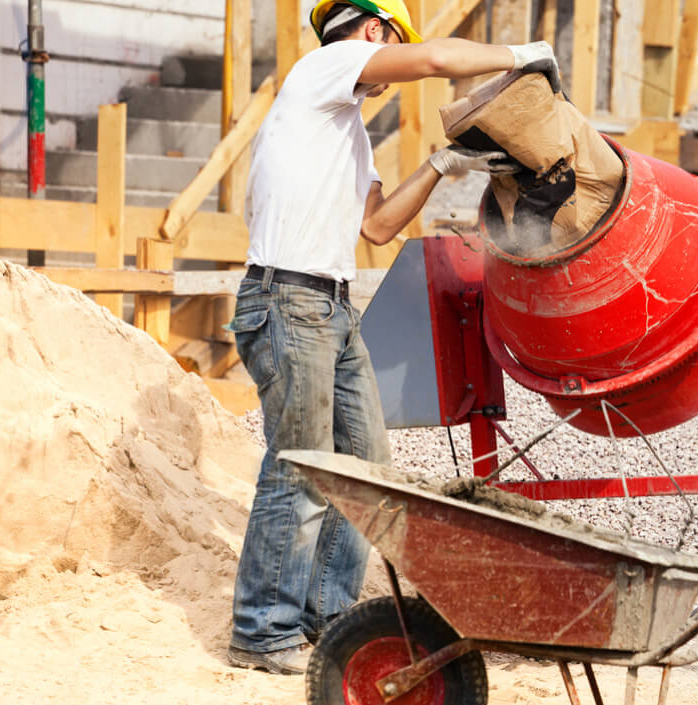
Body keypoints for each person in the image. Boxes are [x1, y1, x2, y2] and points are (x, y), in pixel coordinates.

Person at [225, 0, 558, 675]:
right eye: (391, 43)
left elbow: (377, 228)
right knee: (302, 466)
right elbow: (434, 58)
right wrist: (524, 56)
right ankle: (262, 631)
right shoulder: (326, 68)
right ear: (375, 30)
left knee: (367, 469)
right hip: (289, 300)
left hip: (330, 306)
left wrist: (440, 163)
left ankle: (327, 618)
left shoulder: (342, 127)